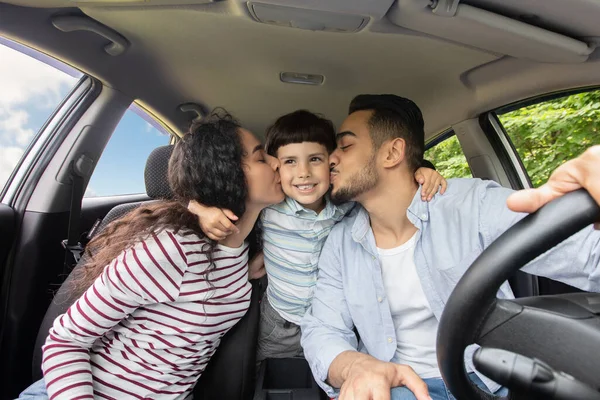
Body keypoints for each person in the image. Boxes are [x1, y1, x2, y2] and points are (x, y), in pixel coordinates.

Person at [299, 94, 600, 400]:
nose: (331, 158)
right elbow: (322, 328)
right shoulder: (340, 243)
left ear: (392, 153)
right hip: (397, 389)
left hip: (488, 379)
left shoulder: (473, 204)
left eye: (345, 146)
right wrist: (356, 367)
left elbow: (588, 255)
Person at [17, 110, 285, 399]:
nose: (276, 162)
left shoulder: (241, 252)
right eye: (260, 157)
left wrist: (244, 271)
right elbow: (65, 341)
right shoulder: (171, 249)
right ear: (227, 174)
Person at [189, 110, 447, 368]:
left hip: (337, 324)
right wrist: (200, 209)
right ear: (276, 168)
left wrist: (421, 171)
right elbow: (193, 199)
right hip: (280, 322)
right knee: (265, 380)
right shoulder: (271, 207)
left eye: (314, 159)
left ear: (332, 163)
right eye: (289, 161)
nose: (303, 173)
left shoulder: (348, 206)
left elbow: (387, 191)